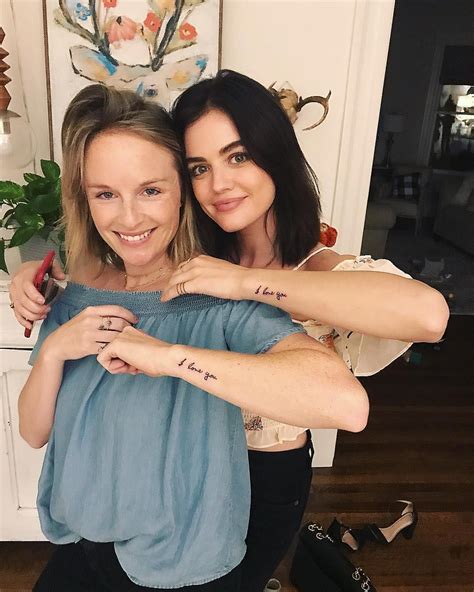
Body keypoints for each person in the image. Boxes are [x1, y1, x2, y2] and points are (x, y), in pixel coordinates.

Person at [15, 84, 368, 592]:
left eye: (151, 190)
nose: (129, 218)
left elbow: (345, 404)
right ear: (84, 199)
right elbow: (32, 433)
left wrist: (169, 357)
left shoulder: (215, 300)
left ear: (183, 191)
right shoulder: (73, 296)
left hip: (182, 566)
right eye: (105, 194)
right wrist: (53, 352)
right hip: (82, 544)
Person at [163, 70, 449, 591]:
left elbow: (429, 316)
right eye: (198, 167)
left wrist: (246, 283)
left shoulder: (317, 270)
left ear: (276, 155)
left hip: (264, 484)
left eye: (239, 156)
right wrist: (34, 280)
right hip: (179, 465)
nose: (218, 184)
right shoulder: (186, 259)